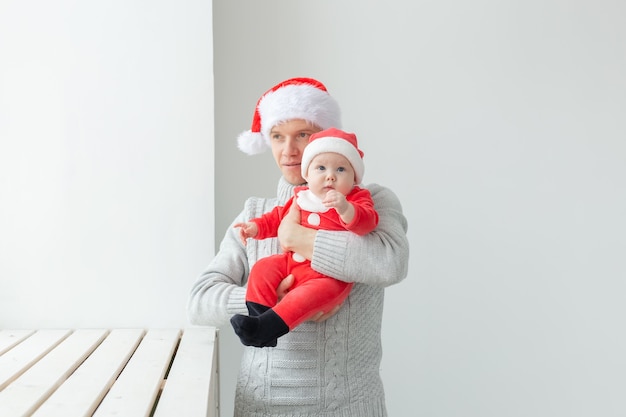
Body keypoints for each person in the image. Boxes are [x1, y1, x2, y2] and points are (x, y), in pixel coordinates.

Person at [187, 77, 409, 417]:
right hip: (261, 406)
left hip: (348, 406)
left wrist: (299, 238)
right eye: (277, 136)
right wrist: (270, 298)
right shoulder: (255, 214)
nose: (289, 150)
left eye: (302, 135)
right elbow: (200, 301)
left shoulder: (370, 202)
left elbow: (389, 263)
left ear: (324, 139)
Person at [231, 127, 379, 348]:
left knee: (302, 298)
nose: (330, 176)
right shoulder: (301, 196)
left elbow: (368, 222)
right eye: (321, 168)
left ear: (354, 178)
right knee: (263, 268)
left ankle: (267, 328)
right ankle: (259, 317)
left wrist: (346, 209)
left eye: (341, 169)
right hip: (291, 264)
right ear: (307, 174)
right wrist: (255, 227)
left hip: (327, 278)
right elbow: (277, 217)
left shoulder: (357, 198)